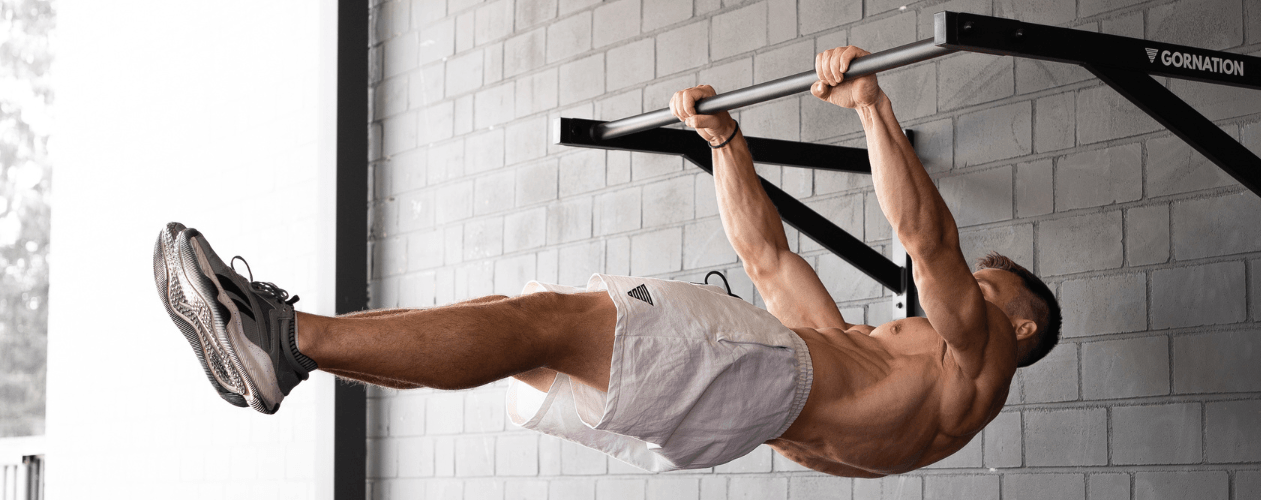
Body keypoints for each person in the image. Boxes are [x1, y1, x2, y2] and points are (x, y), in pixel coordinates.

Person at [153, 45, 1061, 477]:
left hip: (764, 390)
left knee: (534, 323)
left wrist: (871, 108)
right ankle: (287, 349)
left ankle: (287, 338)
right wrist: (724, 140)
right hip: (750, 412)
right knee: (520, 327)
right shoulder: (881, 363)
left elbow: (927, 243)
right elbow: (768, 257)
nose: (957, 297)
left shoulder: (974, 364)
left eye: (988, 290)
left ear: (1018, 324)